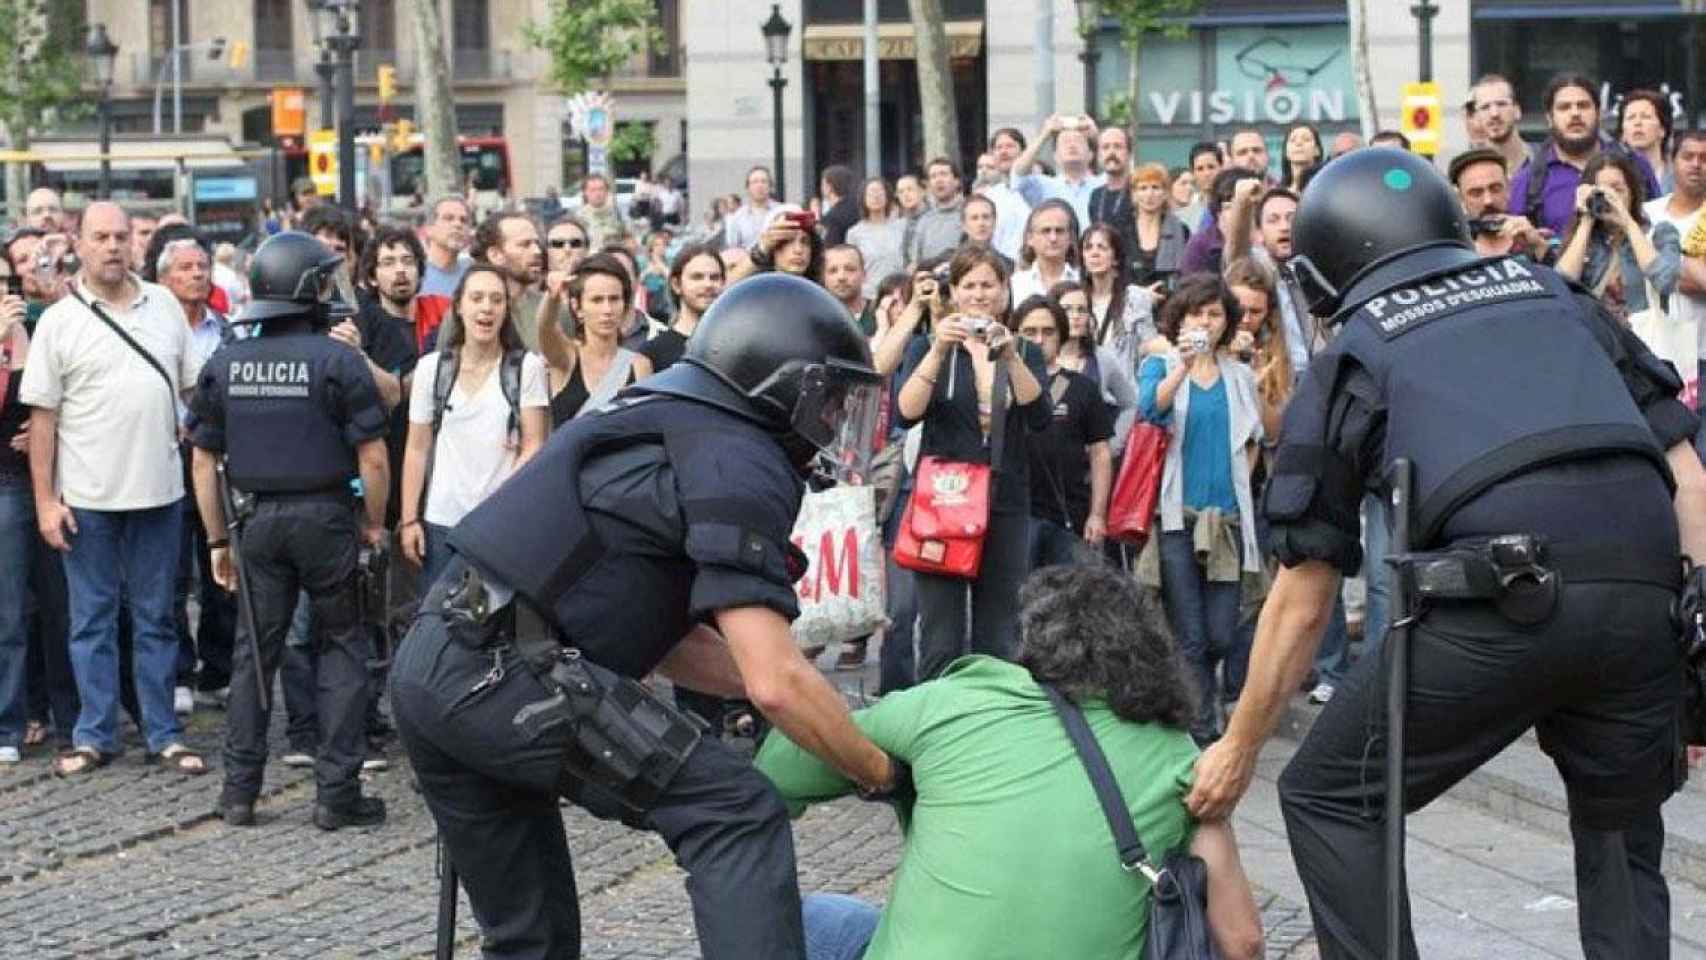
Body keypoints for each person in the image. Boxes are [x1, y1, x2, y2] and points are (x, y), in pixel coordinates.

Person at [1187, 147, 1706, 960]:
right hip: (1644, 603)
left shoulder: (1358, 347)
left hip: (1503, 603)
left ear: (1323, 272)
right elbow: (1684, 466)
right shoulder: (1558, 293)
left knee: (1330, 796)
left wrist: (1240, 744)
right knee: (1620, 828)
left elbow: (1304, 593)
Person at [389, 272, 901, 959]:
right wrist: (879, 771)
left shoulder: (655, 413)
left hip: (435, 663)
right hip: (512, 674)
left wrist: (815, 698)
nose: (837, 422)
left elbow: (677, 645)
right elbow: (772, 683)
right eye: (833, 401)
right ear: (787, 386)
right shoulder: (740, 456)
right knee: (735, 813)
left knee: (532, 941)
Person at [756, 565, 1265, 960]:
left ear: (1033, 638)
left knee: (819, 918)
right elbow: (1242, 941)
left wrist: (885, 771)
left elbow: (780, 767)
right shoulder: (1177, 757)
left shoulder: (951, 702)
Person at [185, 231, 390, 826]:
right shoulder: (337, 359)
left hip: (257, 521)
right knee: (343, 649)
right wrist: (373, 524)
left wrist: (219, 539)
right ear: (307, 289)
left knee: (255, 655)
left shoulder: (226, 360)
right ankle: (337, 794)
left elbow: (203, 458)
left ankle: (239, 792)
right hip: (327, 518)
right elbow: (373, 458)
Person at [21, 202, 206, 778]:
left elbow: (194, 390)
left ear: (135, 243)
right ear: (78, 242)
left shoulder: (165, 308)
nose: (112, 246)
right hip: (87, 500)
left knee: (157, 619)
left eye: (121, 236)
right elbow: (43, 421)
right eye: (100, 236)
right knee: (91, 622)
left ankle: (163, 733)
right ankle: (94, 734)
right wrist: (46, 502)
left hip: (159, 494)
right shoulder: (58, 321)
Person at [894, 246, 1049, 682]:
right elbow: (905, 412)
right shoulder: (931, 346)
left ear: (1004, 292)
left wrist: (1012, 357)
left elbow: (1038, 417)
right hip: (943, 502)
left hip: (1005, 499)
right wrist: (938, 350)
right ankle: (935, 732)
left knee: (999, 634)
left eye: (988, 285)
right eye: (969, 285)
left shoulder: (1023, 349)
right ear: (955, 291)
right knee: (940, 635)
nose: (979, 294)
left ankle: (989, 730)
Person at [1135, 275, 1263, 743]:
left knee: (1222, 634)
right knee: (1189, 636)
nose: (1205, 322)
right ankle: (1201, 731)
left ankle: (1198, 709)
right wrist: (1183, 367)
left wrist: (1240, 483)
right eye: (1196, 314)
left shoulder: (1240, 374)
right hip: (1176, 519)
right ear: (1179, 319)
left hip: (1226, 520)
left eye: (1214, 314)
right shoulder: (1160, 363)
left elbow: (1255, 439)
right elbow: (1151, 410)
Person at [400, 263, 550, 587]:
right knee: (437, 621)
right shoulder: (431, 370)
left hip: (501, 523)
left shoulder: (527, 367)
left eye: (497, 300)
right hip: (441, 522)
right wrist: (409, 519)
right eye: (477, 298)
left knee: (496, 626)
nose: (486, 308)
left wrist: (499, 501)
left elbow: (535, 443)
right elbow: (417, 447)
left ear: (506, 310)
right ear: (459, 306)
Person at [1012, 296, 1112, 568]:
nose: (1039, 339)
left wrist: (1098, 514)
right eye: (1029, 332)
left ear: (1061, 335)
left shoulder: (1082, 387)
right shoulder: (1001, 384)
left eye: (1048, 331)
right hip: (1017, 515)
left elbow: (1100, 452)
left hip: (1069, 514)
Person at [1510, 73, 1661, 235]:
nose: (1575, 113)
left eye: (1583, 105)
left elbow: (1657, 231)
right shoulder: (1528, 181)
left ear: (1599, 113)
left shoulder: (1636, 166)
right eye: (1564, 107)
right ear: (1550, 118)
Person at [1555, 152, 1680, 325]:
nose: (1609, 198)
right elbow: (1562, 285)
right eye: (1601, 191)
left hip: (1643, 341)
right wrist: (1586, 220)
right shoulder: (1585, 240)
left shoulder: (1660, 233)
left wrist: (1628, 223)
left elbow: (1665, 281)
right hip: (1598, 343)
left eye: (1617, 189)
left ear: (1632, 193)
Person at [537, 253, 653, 426]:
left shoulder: (640, 365)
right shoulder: (566, 357)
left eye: (614, 299)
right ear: (577, 308)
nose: (607, 309)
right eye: (597, 300)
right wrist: (552, 297)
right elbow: (545, 327)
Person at [1646, 130, 1706, 400]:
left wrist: (1655, 270)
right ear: (1671, 161)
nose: (1697, 164)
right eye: (1688, 156)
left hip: (1702, 354)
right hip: (1653, 352)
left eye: (1704, 158)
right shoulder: (1647, 213)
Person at [1049, 277, 1139, 449]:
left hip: (1093, 463)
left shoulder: (1101, 358)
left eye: (1081, 310)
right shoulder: (1040, 357)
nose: (1075, 316)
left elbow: (1130, 403)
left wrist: (1112, 444)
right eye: (1067, 309)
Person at [0, 261, 30, 764]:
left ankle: (8, 721)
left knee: (11, 613)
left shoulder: (21, 336)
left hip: (11, 485)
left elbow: (28, 412)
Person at [1081, 221, 1161, 394]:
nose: (1094, 253)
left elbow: (1149, 346)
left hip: (1124, 394)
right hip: (1086, 394)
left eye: (1102, 248)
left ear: (1115, 257)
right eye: (1088, 248)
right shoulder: (1075, 299)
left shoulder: (1135, 298)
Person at [1448, 148, 1550, 261]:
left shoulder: (1543, 240)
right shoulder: (1453, 255)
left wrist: (1540, 248)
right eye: (1476, 193)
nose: (1488, 201)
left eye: (1495, 189)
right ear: (1460, 198)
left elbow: (1562, 277)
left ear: (1509, 188)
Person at [640, 242, 725, 373]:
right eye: (697, 277)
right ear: (676, 285)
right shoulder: (652, 353)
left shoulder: (735, 345)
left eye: (714, 278)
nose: (708, 284)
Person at [1010, 114, 1104, 228]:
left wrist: (1097, 136)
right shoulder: (1043, 186)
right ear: (1056, 157)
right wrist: (1045, 134)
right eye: (1065, 142)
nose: (1072, 145)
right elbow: (1018, 174)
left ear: (1091, 155)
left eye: (1078, 141)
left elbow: (1125, 173)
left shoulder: (1103, 184)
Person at [470, 211, 546, 350]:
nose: (537, 251)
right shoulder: (467, 312)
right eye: (525, 245)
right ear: (495, 254)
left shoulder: (552, 310)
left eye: (536, 243)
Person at [1128, 161, 1191, 288]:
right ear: (1134, 194)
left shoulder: (1181, 230)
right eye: (1143, 188)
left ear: (1165, 193)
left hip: (1171, 301)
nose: (1149, 194)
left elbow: (1187, 273)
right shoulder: (1122, 230)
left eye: (1155, 187)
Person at [1009, 199, 1080, 305]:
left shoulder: (1082, 280)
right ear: (1030, 238)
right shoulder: (1015, 284)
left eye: (1059, 231)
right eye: (1046, 231)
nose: (1053, 238)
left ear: (1070, 238)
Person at [976, 132, 1032, 262]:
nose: (1003, 152)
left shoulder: (1038, 190)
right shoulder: (989, 197)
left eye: (1010, 146)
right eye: (998, 148)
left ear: (1024, 152)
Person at [847, 177, 906, 301]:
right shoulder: (854, 233)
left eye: (880, 192)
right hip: (869, 296)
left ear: (887, 196)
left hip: (899, 295)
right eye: (871, 193)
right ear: (863, 199)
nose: (876, 196)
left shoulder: (902, 227)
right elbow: (851, 266)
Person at [1086, 126, 1137, 258]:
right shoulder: (1095, 195)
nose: (1111, 152)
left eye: (1118, 146)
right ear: (1098, 155)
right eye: (1105, 147)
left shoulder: (1139, 190)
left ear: (1129, 153)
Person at [906, 157, 967, 265]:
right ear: (928, 184)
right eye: (933, 176)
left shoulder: (970, 213)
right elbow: (915, 263)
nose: (939, 180)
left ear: (956, 181)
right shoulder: (924, 221)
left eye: (943, 174)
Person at [1470, 74, 1528, 181]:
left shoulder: (1545, 162)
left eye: (1501, 104)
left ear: (1517, 111)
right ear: (1476, 118)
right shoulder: (1468, 171)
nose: (1494, 114)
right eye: (1485, 107)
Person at [1620, 88, 1674, 197]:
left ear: (1662, 129)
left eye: (1646, 117)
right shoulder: (1615, 174)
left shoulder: (1679, 174)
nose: (1637, 123)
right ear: (1623, 133)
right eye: (1630, 118)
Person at [420, 195, 474, 297]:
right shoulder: (415, 275)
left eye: (464, 220)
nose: (458, 224)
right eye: (449, 218)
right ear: (429, 229)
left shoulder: (474, 273)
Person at [724, 166, 778, 251]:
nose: (759, 185)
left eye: (764, 181)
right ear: (748, 188)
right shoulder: (737, 217)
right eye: (755, 182)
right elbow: (733, 250)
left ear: (771, 186)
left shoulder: (780, 211)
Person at [823, 244, 873, 333]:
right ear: (823, 277)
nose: (841, 277)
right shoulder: (816, 318)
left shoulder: (879, 315)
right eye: (833, 271)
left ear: (864, 275)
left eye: (850, 269)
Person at [577, 173, 627, 250]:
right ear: (585, 192)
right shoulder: (579, 218)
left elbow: (627, 238)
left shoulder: (616, 214)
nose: (598, 193)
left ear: (607, 191)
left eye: (601, 189)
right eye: (592, 190)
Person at [817, 164, 860, 247]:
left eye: (823, 184)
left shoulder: (832, 217)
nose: (821, 188)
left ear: (829, 187)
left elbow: (830, 246)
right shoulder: (859, 207)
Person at [1280, 124, 1323, 194]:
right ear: (1286, 152)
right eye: (1293, 140)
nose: (1298, 143)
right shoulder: (1279, 193)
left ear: (1317, 150)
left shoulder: (1324, 186)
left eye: (1306, 139)